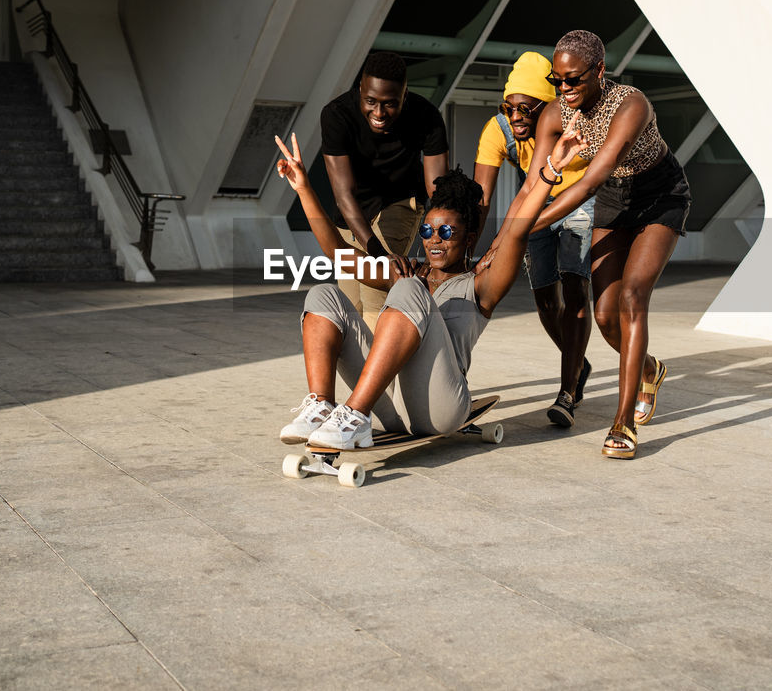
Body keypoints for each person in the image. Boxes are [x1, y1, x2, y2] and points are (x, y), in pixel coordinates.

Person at [274, 123, 583, 450]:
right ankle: (323, 406)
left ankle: (354, 412)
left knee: (409, 291)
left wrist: (550, 172)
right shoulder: (408, 272)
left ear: (469, 238)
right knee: (323, 295)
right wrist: (304, 189)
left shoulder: (481, 285)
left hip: (440, 409)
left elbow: (519, 233)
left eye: (446, 233)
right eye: (426, 232)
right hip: (388, 406)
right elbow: (338, 252)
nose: (434, 240)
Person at [517, 30, 691, 460]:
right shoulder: (557, 114)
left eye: (573, 79)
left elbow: (593, 178)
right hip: (616, 199)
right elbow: (532, 183)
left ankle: (624, 422)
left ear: (599, 70)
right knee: (604, 316)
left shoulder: (630, 104)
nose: (564, 89)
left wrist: (529, 227)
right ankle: (649, 368)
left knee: (632, 297)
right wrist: (510, 232)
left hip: (660, 197)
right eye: (557, 80)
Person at [472, 51, 595, 428]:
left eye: (527, 108)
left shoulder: (576, 122)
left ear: (548, 107)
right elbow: (482, 198)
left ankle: (567, 392)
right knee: (544, 297)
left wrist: (503, 239)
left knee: (575, 287)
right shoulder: (498, 131)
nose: (516, 117)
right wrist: (471, 252)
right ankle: (578, 363)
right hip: (538, 199)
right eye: (509, 107)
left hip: (582, 199)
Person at [321, 51, 449, 330]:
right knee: (349, 309)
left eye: (390, 104)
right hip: (351, 214)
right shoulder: (336, 115)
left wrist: (440, 243)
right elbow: (344, 194)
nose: (379, 113)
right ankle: (364, 374)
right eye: (371, 102)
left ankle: (380, 373)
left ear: (404, 95)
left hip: (398, 205)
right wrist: (377, 252)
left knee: (376, 297)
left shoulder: (426, 116)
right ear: (360, 91)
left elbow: (439, 189)